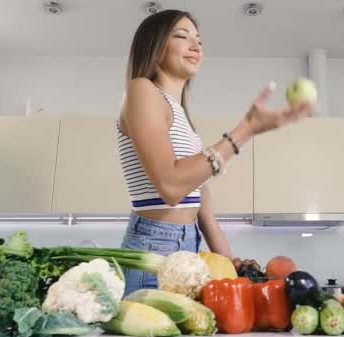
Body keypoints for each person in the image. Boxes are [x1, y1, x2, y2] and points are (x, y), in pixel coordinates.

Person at [117, 9, 314, 295]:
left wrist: (228, 264)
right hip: (154, 248)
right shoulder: (141, 90)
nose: (195, 45)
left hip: (189, 247)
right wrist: (246, 130)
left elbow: (200, 201)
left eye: (199, 39)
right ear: (155, 47)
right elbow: (171, 186)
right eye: (182, 36)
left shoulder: (179, 114)